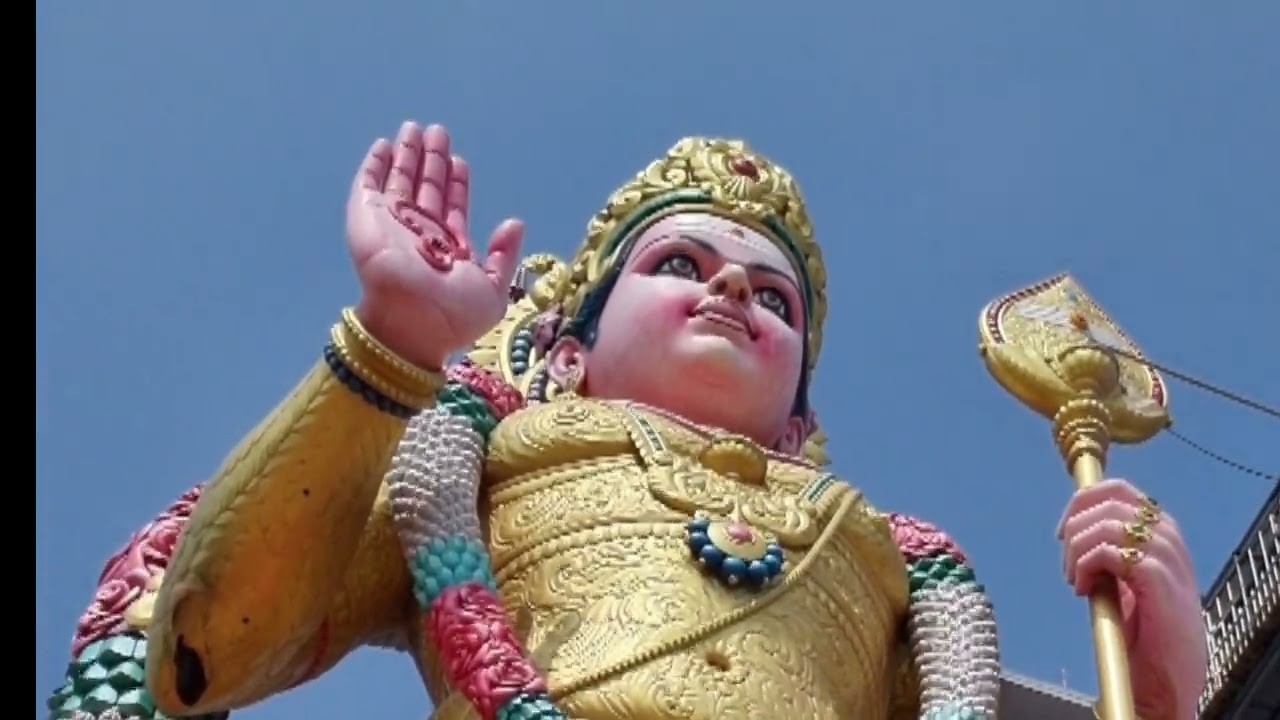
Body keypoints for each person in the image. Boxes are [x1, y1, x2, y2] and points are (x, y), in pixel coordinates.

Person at [47, 122, 1208, 720]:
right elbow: (214, 647)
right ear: (572, 339)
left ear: (799, 405)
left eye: (772, 298)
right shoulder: (483, 461)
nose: (728, 296)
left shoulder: (883, 559)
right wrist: (391, 346)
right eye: (681, 263)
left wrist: (1165, 681)